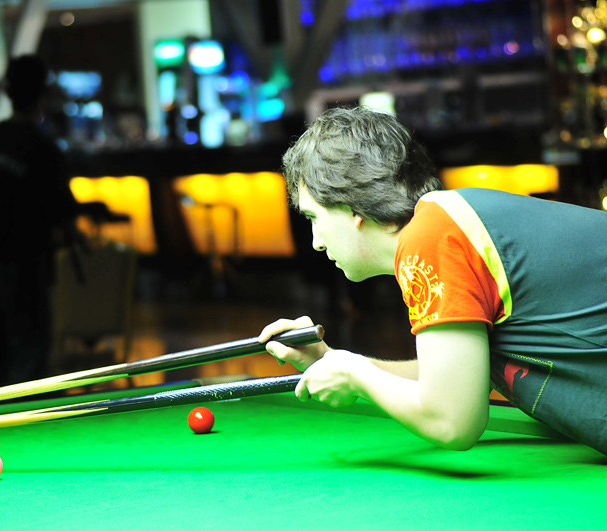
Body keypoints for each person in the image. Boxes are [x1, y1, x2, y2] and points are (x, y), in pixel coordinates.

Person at [258, 106, 607, 455]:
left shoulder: (433, 233)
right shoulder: (446, 221)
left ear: (351, 207)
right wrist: (332, 361)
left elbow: (453, 421)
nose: (316, 241)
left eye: (314, 217)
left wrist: (356, 373)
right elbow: (451, 379)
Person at [0, 55, 80, 389]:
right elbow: (60, 210)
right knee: (29, 362)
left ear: (9, 92)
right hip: (25, 266)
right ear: (43, 95)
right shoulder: (43, 149)